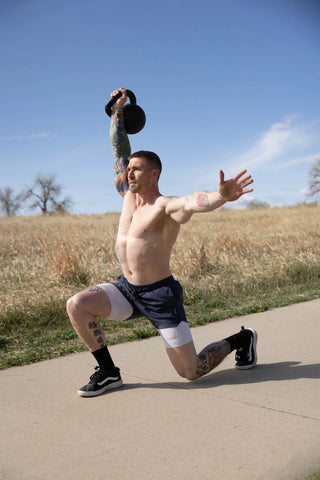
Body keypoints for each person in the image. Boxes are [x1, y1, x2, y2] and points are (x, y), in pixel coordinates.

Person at [67, 87, 258, 397]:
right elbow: (118, 151)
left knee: (190, 372)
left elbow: (196, 201)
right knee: (77, 304)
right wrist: (117, 112)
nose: (128, 173)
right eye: (128, 169)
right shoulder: (127, 196)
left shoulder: (165, 207)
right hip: (127, 290)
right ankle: (108, 372)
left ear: (153, 174)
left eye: (136, 169)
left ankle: (242, 339)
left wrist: (220, 196)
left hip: (160, 296)